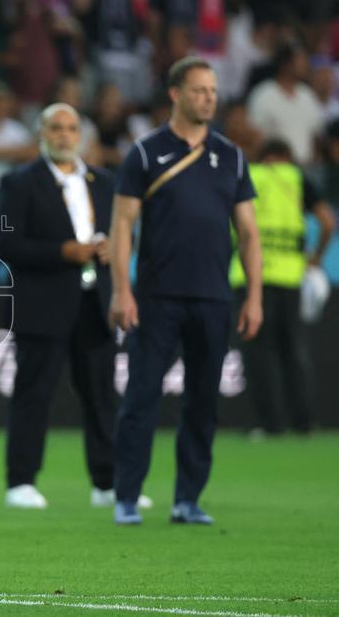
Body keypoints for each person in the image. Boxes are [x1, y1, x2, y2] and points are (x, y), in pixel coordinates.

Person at [109, 57, 263, 526]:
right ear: (175, 94)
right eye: (199, 90)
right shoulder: (145, 152)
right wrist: (121, 290)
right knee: (141, 397)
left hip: (214, 297)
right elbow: (121, 226)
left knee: (203, 401)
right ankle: (127, 497)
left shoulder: (231, 156)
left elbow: (249, 233)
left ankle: (187, 498)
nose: (209, 99)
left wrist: (253, 295)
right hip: (156, 296)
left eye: (213, 91)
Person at [0, 103, 151, 510]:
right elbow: (7, 245)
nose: (64, 135)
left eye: (71, 128)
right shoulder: (18, 182)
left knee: (101, 396)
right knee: (34, 394)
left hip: (94, 302)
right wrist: (64, 250)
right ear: (42, 135)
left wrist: (109, 250)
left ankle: (108, 483)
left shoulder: (105, 182)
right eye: (56, 128)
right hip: (43, 303)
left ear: (82, 135)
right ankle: (21, 482)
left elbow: (126, 233)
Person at [229, 139, 336, 435]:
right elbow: (328, 221)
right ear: (286, 156)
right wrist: (315, 258)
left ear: (264, 157)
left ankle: (267, 424)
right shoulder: (296, 178)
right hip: (290, 276)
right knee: (294, 351)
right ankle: (303, 422)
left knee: (259, 352)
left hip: (251, 277)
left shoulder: (246, 175)